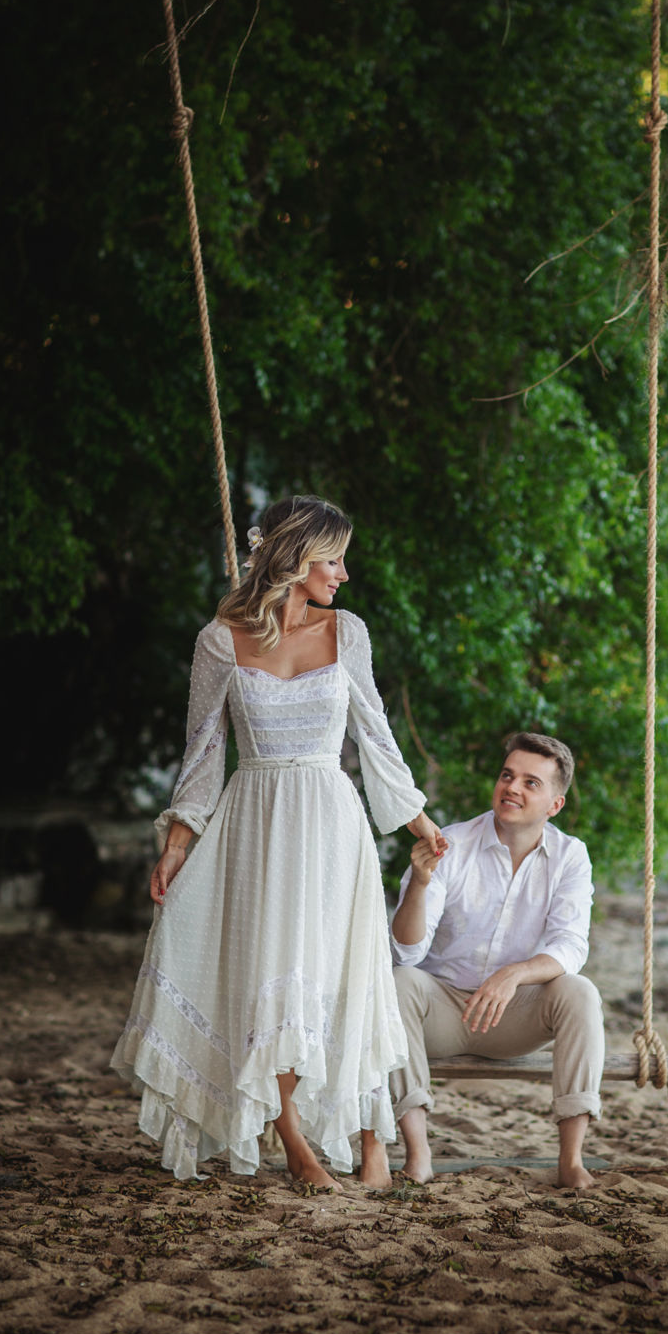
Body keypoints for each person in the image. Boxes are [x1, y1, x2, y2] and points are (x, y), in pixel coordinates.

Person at [111, 495, 445, 1191]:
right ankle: (293, 1141)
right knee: (269, 983)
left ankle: (347, 1131)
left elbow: (375, 736)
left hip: (330, 825)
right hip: (253, 825)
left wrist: (418, 820)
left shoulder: (346, 633)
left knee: (329, 981)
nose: (344, 575)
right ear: (293, 560)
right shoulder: (218, 640)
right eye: (333, 559)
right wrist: (176, 844)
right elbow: (202, 754)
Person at [389, 732, 605, 1190]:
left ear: (555, 804)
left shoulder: (571, 856)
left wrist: (515, 974)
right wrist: (421, 885)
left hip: (514, 1015)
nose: (513, 788)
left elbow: (571, 946)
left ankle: (570, 1160)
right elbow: (407, 951)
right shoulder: (451, 844)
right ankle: (418, 1154)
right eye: (508, 776)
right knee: (399, 981)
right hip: (443, 1013)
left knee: (579, 990)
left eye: (531, 782)